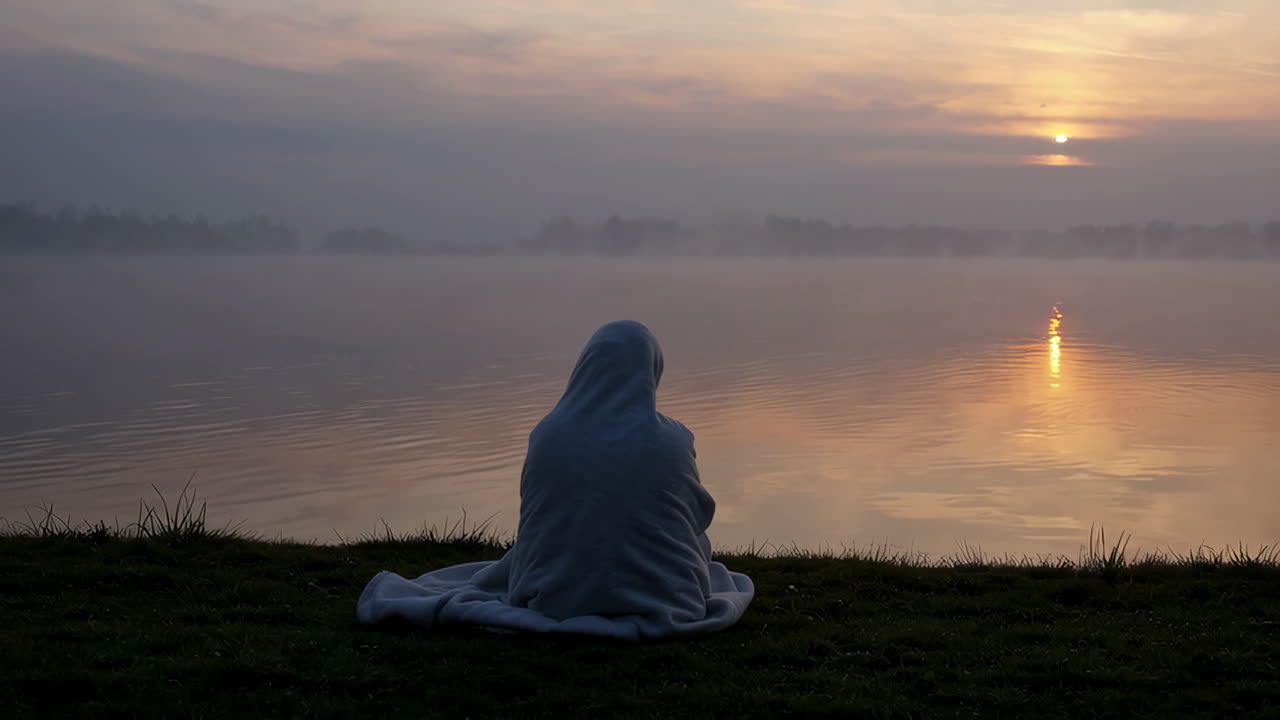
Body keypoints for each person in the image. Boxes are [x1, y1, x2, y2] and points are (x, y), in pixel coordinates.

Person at [356, 320, 754, 640]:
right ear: (652, 372)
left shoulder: (548, 434)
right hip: (668, 599)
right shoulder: (673, 439)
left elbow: (539, 515)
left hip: (555, 599)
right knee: (691, 535)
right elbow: (698, 515)